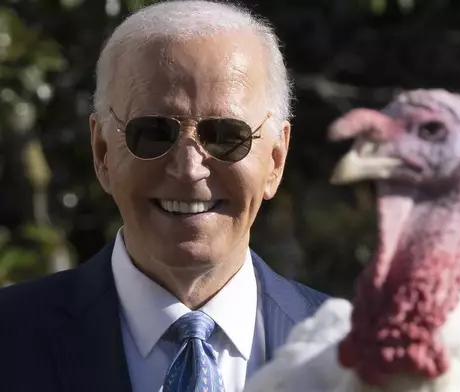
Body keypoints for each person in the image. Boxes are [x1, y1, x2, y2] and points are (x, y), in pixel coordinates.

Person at [0, 1, 329, 391]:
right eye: (153, 132)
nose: (189, 169)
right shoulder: (10, 339)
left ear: (276, 159)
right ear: (102, 151)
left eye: (225, 136)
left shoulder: (355, 356)